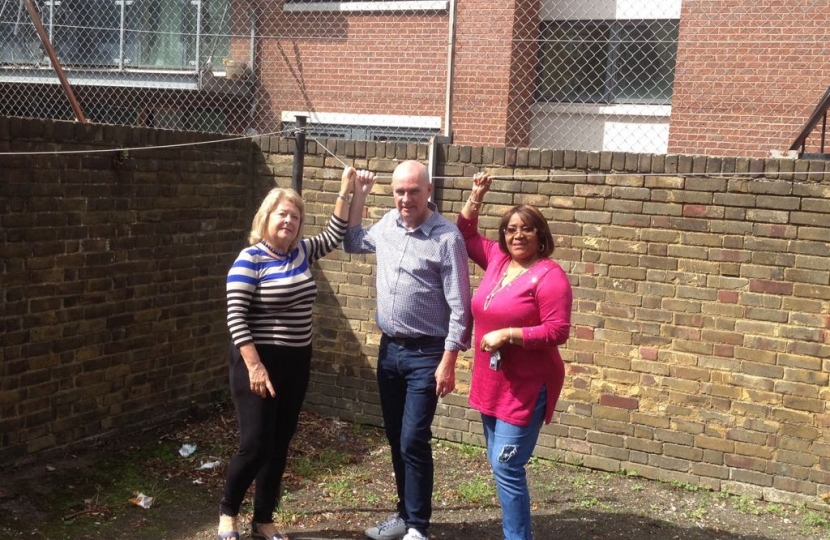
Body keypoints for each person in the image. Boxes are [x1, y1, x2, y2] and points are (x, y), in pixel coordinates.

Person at [217, 168, 356, 540]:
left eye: (296, 217)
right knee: (256, 444)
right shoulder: (250, 259)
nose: (290, 222)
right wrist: (255, 366)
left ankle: (263, 519)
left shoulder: (302, 251)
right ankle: (228, 511)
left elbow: (334, 234)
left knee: (280, 444)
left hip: (296, 362)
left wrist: (346, 191)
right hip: (257, 363)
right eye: (283, 214)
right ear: (266, 217)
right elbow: (235, 316)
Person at [343, 161, 472, 540]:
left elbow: (461, 307)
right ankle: (403, 514)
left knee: (414, 437)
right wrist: (359, 195)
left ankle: (418, 526)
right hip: (390, 352)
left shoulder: (447, 238)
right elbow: (352, 242)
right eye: (399, 191)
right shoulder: (387, 225)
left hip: (426, 354)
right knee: (396, 436)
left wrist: (449, 360)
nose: (405, 198)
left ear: (428, 191)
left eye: (413, 191)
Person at [456, 172, 572, 540]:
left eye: (526, 229)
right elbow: (465, 233)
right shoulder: (497, 260)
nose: (516, 236)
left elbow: (558, 331)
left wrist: (510, 334)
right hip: (494, 381)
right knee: (498, 463)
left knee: (507, 465)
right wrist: (477, 195)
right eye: (510, 230)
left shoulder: (550, 277)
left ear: (541, 236)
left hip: (525, 386)